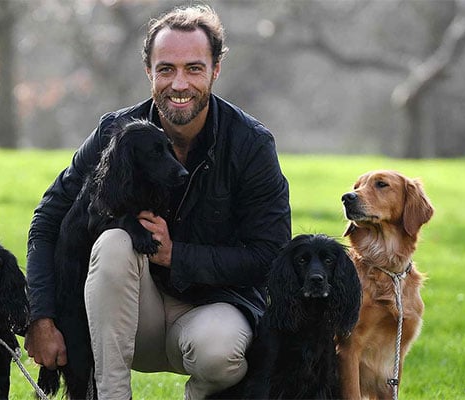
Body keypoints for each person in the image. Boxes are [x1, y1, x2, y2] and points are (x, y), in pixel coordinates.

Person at [25, 5, 291, 400]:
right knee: (115, 242)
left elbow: (271, 256)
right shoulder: (115, 133)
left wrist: (175, 255)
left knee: (219, 352)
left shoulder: (250, 144)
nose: (179, 84)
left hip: (213, 309)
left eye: (194, 68)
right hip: (129, 315)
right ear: (149, 71)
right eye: (166, 69)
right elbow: (47, 220)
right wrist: (41, 318)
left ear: (215, 70)